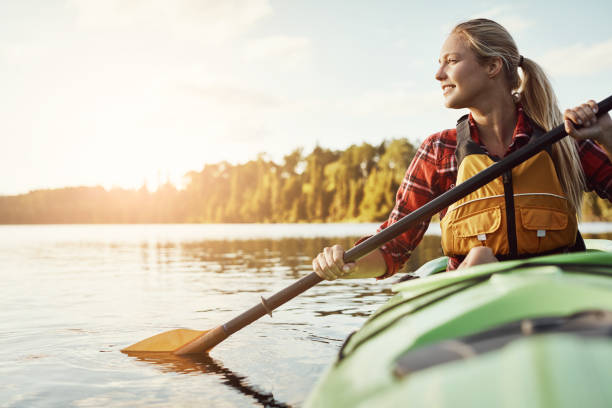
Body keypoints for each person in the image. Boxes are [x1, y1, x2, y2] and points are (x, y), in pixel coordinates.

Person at [312, 18, 612, 281]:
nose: (438, 74)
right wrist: (345, 264)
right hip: (471, 297)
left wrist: (608, 136)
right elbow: (394, 248)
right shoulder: (439, 150)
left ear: (492, 66)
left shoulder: (562, 139)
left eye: (451, 61)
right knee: (479, 256)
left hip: (558, 291)